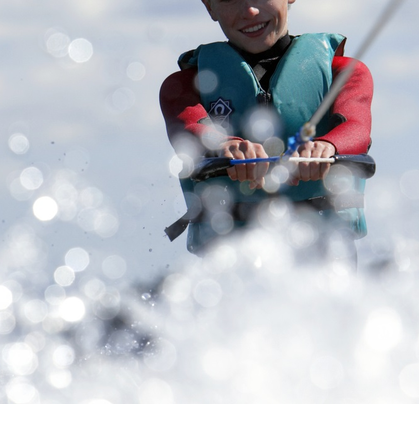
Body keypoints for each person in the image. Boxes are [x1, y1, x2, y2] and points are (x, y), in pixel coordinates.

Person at [160, 0, 373, 265]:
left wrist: (327, 147)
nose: (249, 10)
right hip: (232, 258)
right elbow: (189, 131)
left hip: (323, 250)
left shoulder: (344, 73)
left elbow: (356, 127)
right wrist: (225, 146)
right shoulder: (182, 87)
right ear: (209, 7)